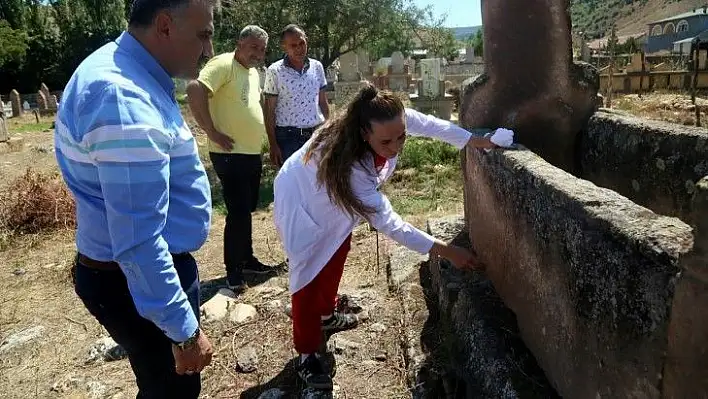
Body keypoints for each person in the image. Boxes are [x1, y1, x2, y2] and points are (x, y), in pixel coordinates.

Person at [273, 83, 514, 390]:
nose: (397, 145)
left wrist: (475, 140)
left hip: (333, 197)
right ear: (364, 134)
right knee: (307, 273)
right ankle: (307, 355)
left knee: (338, 248)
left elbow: (430, 125)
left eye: (401, 136)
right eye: (386, 142)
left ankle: (326, 313)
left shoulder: (391, 120)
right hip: (302, 198)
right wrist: (446, 250)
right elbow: (391, 224)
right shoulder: (354, 169)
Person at [54, 0, 216, 397]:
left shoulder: (126, 75)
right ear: (164, 26)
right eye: (203, 35)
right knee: (172, 391)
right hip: (133, 276)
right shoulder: (122, 99)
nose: (209, 50)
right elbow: (139, 238)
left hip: (133, 273)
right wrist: (184, 332)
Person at [187, 25, 275, 292]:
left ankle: (247, 260)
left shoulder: (253, 73)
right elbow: (194, 90)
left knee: (245, 211)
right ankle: (233, 272)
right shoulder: (223, 63)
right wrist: (211, 130)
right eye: (253, 47)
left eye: (261, 49)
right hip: (229, 154)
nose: (258, 53)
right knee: (237, 212)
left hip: (249, 152)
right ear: (240, 43)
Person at [263, 24, 330, 167]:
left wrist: (329, 130)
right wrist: (273, 144)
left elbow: (323, 102)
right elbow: (269, 111)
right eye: (293, 45)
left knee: (318, 180)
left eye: (302, 43)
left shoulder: (317, 67)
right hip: (288, 138)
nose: (299, 48)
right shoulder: (275, 71)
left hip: (316, 134)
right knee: (293, 184)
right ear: (284, 47)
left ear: (306, 41)